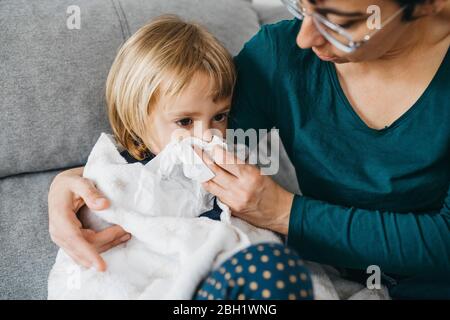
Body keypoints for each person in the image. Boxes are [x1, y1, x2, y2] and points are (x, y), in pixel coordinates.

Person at [49, 0, 449, 299]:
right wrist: (71, 184)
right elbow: (174, 148)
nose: (304, 37)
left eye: (337, 22)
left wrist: (283, 212)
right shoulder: (282, 57)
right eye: (301, 5)